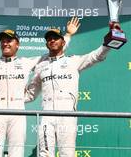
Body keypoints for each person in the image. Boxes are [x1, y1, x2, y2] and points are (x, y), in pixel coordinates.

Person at [0, 17, 80, 157]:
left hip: (18, 112)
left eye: (9, 40)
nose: (5, 43)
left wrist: (68, 35)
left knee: (16, 153)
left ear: (17, 44)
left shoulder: (27, 62)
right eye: (3, 40)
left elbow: (55, 52)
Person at [25, 26, 113, 157]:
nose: (52, 40)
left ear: (63, 42)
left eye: (56, 38)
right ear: (46, 44)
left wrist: (108, 44)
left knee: (67, 154)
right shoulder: (40, 66)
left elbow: (95, 56)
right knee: (44, 154)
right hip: (46, 115)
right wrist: (9, 100)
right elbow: (31, 93)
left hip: (67, 115)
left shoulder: (73, 61)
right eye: (49, 39)